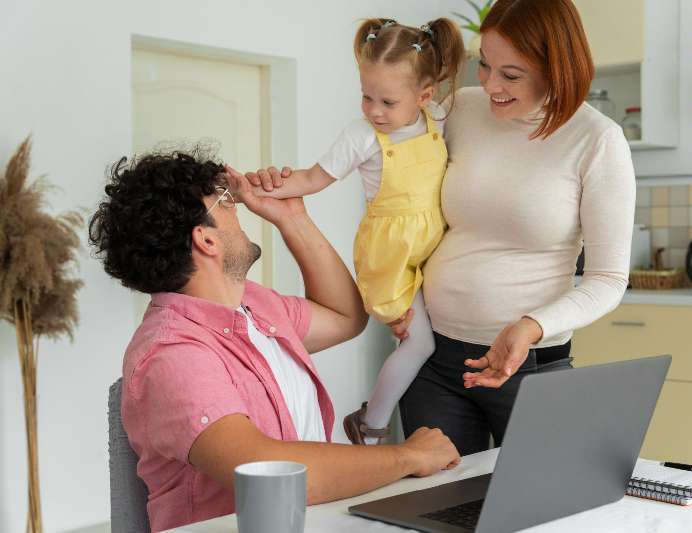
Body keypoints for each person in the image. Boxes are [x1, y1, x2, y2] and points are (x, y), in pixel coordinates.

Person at [88, 147, 459, 532]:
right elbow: (267, 472)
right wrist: (408, 457)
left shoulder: (254, 306)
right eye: (227, 203)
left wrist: (292, 218)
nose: (239, 211)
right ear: (206, 241)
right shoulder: (173, 354)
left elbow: (346, 317)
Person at [384, 0, 637, 455]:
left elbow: (608, 279)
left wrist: (531, 326)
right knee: (435, 513)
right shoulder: (459, 110)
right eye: (485, 65)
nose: (490, 84)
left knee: (542, 514)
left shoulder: (596, 140)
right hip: (433, 360)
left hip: (530, 369)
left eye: (511, 75)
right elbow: (404, 198)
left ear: (556, 69)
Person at [245, 18, 465, 445]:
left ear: (425, 95)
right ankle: (372, 425)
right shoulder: (362, 137)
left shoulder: (436, 119)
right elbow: (311, 179)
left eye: (387, 101)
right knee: (420, 345)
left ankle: (373, 418)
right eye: (366, 97)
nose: (375, 111)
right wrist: (259, 187)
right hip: (391, 256)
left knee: (437, 335)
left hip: (433, 247)